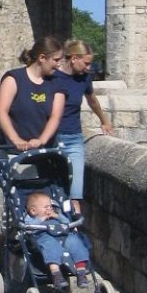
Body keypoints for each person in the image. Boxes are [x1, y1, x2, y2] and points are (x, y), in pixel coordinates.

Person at [0, 36, 65, 269]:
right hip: (16, 154)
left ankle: (44, 249)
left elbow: (55, 116)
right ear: (42, 58)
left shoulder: (56, 83)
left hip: (45, 154)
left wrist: (41, 140)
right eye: (56, 60)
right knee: (16, 204)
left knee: (47, 202)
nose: (59, 65)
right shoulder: (14, 79)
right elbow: (1, 111)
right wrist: (17, 140)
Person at [54, 40, 114, 214]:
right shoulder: (53, 77)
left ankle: (74, 227)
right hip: (52, 138)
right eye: (86, 63)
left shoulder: (84, 79)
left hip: (73, 139)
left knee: (75, 195)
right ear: (74, 58)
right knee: (52, 190)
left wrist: (104, 121)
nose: (89, 68)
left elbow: (92, 101)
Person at [23, 192, 90, 290]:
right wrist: (42, 218)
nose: (49, 209)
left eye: (50, 206)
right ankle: (56, 274)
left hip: (63, 235)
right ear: (33, 211)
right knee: (51, 246)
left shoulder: (55, 214)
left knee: (75, 242)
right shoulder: (30, 218)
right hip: (44, 236)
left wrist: (57, 216)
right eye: (46, 207)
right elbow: (28, 227)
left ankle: (81, 272)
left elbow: (67, 222)